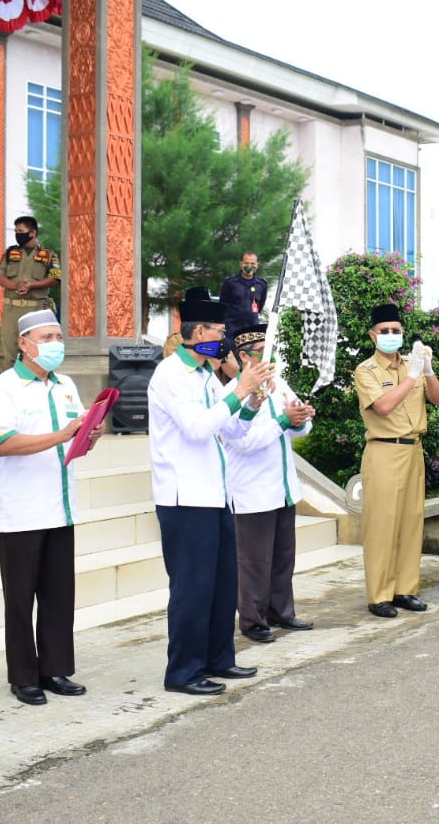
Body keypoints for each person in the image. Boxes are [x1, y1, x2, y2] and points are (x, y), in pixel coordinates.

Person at [147, 293, 275, 695]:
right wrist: (240, 390)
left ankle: (219, 659)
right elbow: (198, 428)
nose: (223, 341)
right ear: (198, 332)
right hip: (184, 498)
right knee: (192, 588)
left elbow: (229, 429)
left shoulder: (205, 375)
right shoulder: (170, 375)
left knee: (222, 584)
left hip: (216, 494)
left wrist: (251, 401)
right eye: (219, 333)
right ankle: (183, 672)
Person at [0, 309, 99, 706]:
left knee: (58, 594)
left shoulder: (64, 385)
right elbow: (4, 443)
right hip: (22, 509)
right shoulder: (4, 387)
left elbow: (72, 441)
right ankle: (23, 676)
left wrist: (87, 435)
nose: (55, 345)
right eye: (47, 338)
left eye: (58, 337)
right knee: (20, 598)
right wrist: (61, 434)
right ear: (24, 344)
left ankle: (55, 669)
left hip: (60, 506)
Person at [220, 318, 316, 644]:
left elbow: (297, 427)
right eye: (263, 352)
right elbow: (243, 441)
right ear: (245, 357)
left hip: (281, 486)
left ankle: (281, 612)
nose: (269, 358)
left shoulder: (280, 383)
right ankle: (253, 620)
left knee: (282, 558)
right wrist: (281, 420)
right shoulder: (231, 394)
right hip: (251, 490)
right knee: (253, 562)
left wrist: (300, 417)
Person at [352, 303, 439, 618]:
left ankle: (405, 590)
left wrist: (427, 371)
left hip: (413, 450)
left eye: (397, 330)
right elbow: (384, 407)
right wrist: (412, 377)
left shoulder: (413, 364)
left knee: (410, 522)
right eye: (385, 331)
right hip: (384, 450)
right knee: (382, 525)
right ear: (373, 335)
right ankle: (379, 595)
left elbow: (438, 399)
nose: (392, 336)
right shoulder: (366, 370)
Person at [0, 215, 60, 374]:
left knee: (37, 354)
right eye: (16, 231)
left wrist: (32, 285)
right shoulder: (10, 253)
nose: (18, 234)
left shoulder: (48, 255)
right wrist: (15, 286)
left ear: (32, 233)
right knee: (7, 354)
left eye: (21, 231)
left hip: (36, 311)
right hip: (12, 311)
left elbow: (55, 278)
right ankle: (7, 392)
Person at [218, 251, 267, 335]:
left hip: (252, 329)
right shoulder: (230, 282)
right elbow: (222, 305)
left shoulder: (262, 284)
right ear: (241, 264)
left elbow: (260, 306)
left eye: (252, 263)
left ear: (257, 265)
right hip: (231, 329)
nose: (249, 266)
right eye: (246, 263)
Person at [163, 287, 210, 359]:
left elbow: (232, 369)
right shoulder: (175, 339)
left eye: (205, 308)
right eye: (196, 308)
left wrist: (223, 359)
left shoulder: (217, 336)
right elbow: (173, 365)